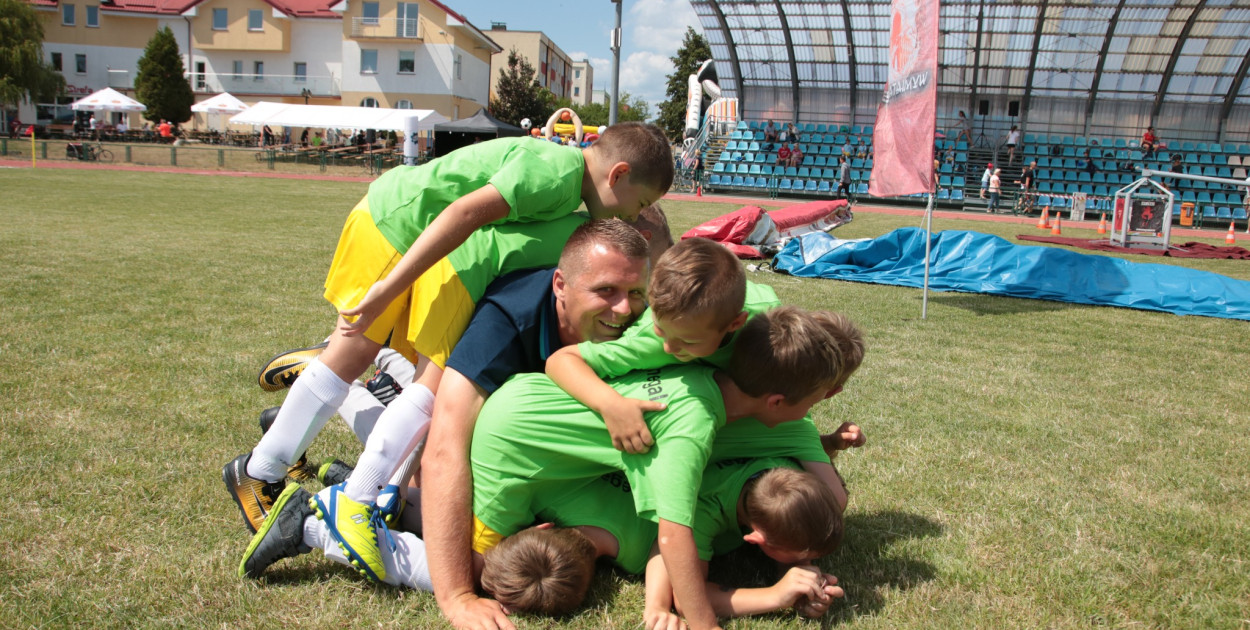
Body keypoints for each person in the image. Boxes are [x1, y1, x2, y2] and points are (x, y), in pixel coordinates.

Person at [223, 124, 671, 574]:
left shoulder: (569, 191)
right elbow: (464, 213)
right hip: (403, 230)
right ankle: (311, 487)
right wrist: (388, 288)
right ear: (618, 174)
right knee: (397, 376)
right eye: (640, 204)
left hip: (429, 246)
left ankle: (290, 473)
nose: (633, 217)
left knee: (369, 363)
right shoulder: (556, 172)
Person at [473, 305, 863, 630]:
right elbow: (674, 536)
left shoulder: (723, 347)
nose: (811, 412)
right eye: (813, 401)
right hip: (518, 427)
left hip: (526, 398)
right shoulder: (689, 431)